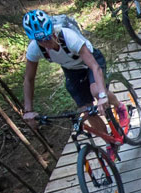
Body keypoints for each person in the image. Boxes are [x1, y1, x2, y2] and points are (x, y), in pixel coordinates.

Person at [18, 9, 128, 149]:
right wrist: (28, 110)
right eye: (41, 41)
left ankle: (119, 106)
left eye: (48, 37)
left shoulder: (68, 36)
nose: (46, 43)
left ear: (52, 30)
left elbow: (95, 67)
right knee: (87, 111)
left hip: (91, 62)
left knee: (95, 90)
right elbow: (29, 79)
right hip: (72, 70)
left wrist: (102, 95)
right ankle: (110, 142)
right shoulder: (35, 48)